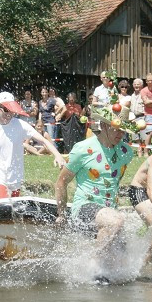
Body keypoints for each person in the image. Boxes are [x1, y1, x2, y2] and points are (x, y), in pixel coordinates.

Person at [54, 106, 136, 254]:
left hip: (110, 211)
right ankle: (95, 266)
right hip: (84, 208)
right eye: (117, 129)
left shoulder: (126, 152)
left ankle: (94, 269)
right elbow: (61, 182)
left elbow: (114, 180)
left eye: (124, 130)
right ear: (104, 125)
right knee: (115, 221)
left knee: (124, 260)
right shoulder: (83, 149)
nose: (121, 134)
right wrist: (61, 215)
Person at [0, 92, 65, 199]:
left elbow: (44, 141)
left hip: (16, 178)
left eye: (12, 110)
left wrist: (57, 155)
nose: (9, 114)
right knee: (5, 206)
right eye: (6, 109)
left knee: (14, 213)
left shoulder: (20, 125)